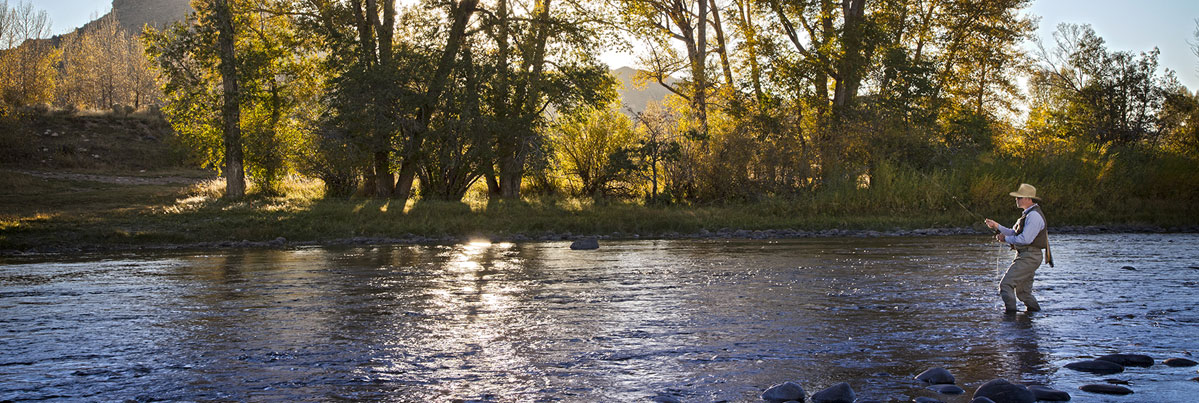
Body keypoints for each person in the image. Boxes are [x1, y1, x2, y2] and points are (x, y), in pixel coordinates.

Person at [984, 183, 1054, 314]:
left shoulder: (1034, 216)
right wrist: (996, 226)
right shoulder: (1027, 215)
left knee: (1005, 285)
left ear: (1028, 198)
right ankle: (1035, 315)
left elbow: (1025, 239)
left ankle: (1010, 317)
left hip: (1029, 257)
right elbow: (1014, 233)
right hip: (1027, 256)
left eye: (1019, 197)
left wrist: (1004, 239)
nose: (1016, 199)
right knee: (1023, 293)